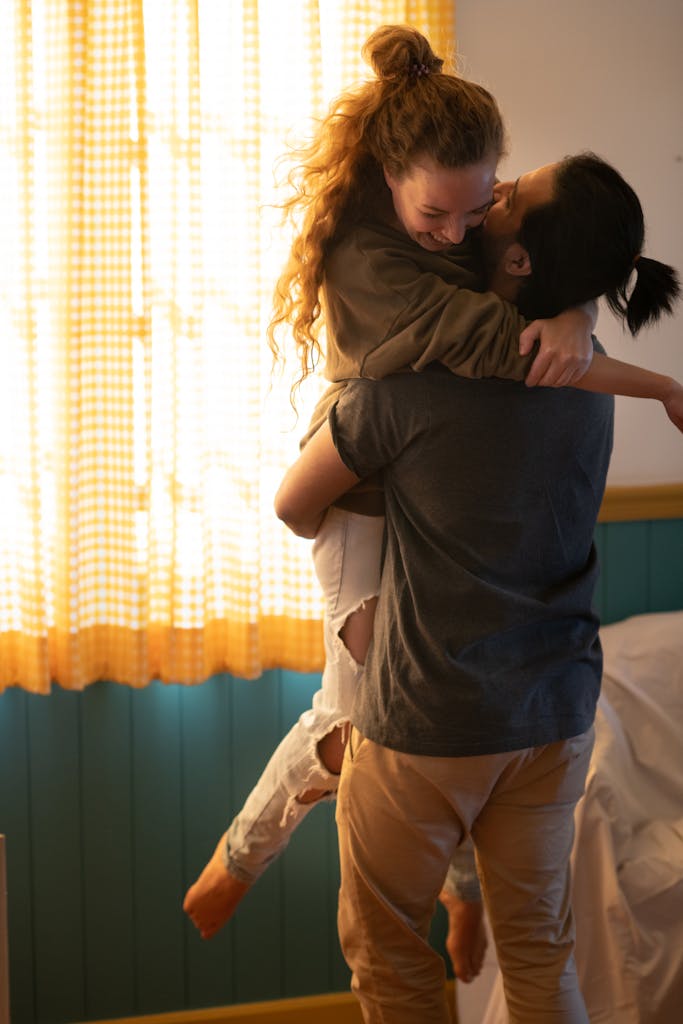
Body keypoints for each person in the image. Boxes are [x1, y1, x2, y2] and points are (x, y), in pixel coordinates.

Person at [182, 24, 674, 981]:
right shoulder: (377, 264)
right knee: (352, 705)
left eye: (490, 203)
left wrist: (575, 311)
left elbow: (528, 303)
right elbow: (493, 348)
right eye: (442, 216)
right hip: (351, 490)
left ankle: (442, 893)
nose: (467, 226)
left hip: (408, 527)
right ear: (394, 179)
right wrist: (648, 377)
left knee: (392, 731)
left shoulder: (464, 222)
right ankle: (242, 858)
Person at [272, 153, 681, 1023]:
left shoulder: (408, 385)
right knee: (539, 956)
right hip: (555, 712)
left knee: (390, 961)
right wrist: (572, 311)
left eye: (514, 190)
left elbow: (294, 506)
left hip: (430, 715)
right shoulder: (589, 368)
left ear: (522, 257)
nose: (496, 189)